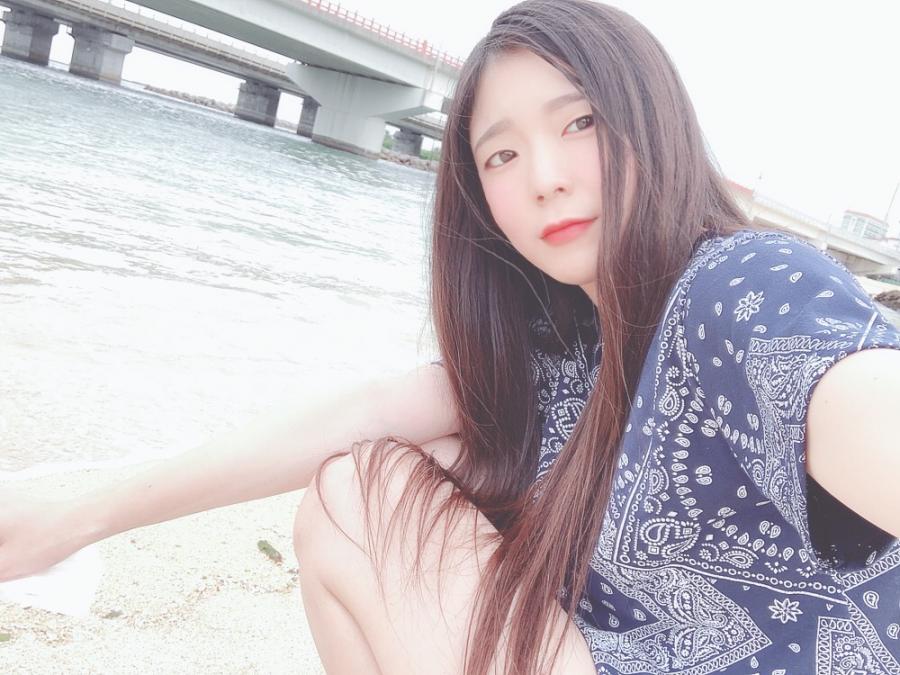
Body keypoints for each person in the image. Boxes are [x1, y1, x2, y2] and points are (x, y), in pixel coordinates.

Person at [2, 1, 899, 673]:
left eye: (580, 122)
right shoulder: (564, 353)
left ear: (653, 120)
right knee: (366, 486)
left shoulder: (738, 288)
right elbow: (360, 414)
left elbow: (860, 403)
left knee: (365, 495)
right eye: (501, 153)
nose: (543, 176)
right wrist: (79, 515)